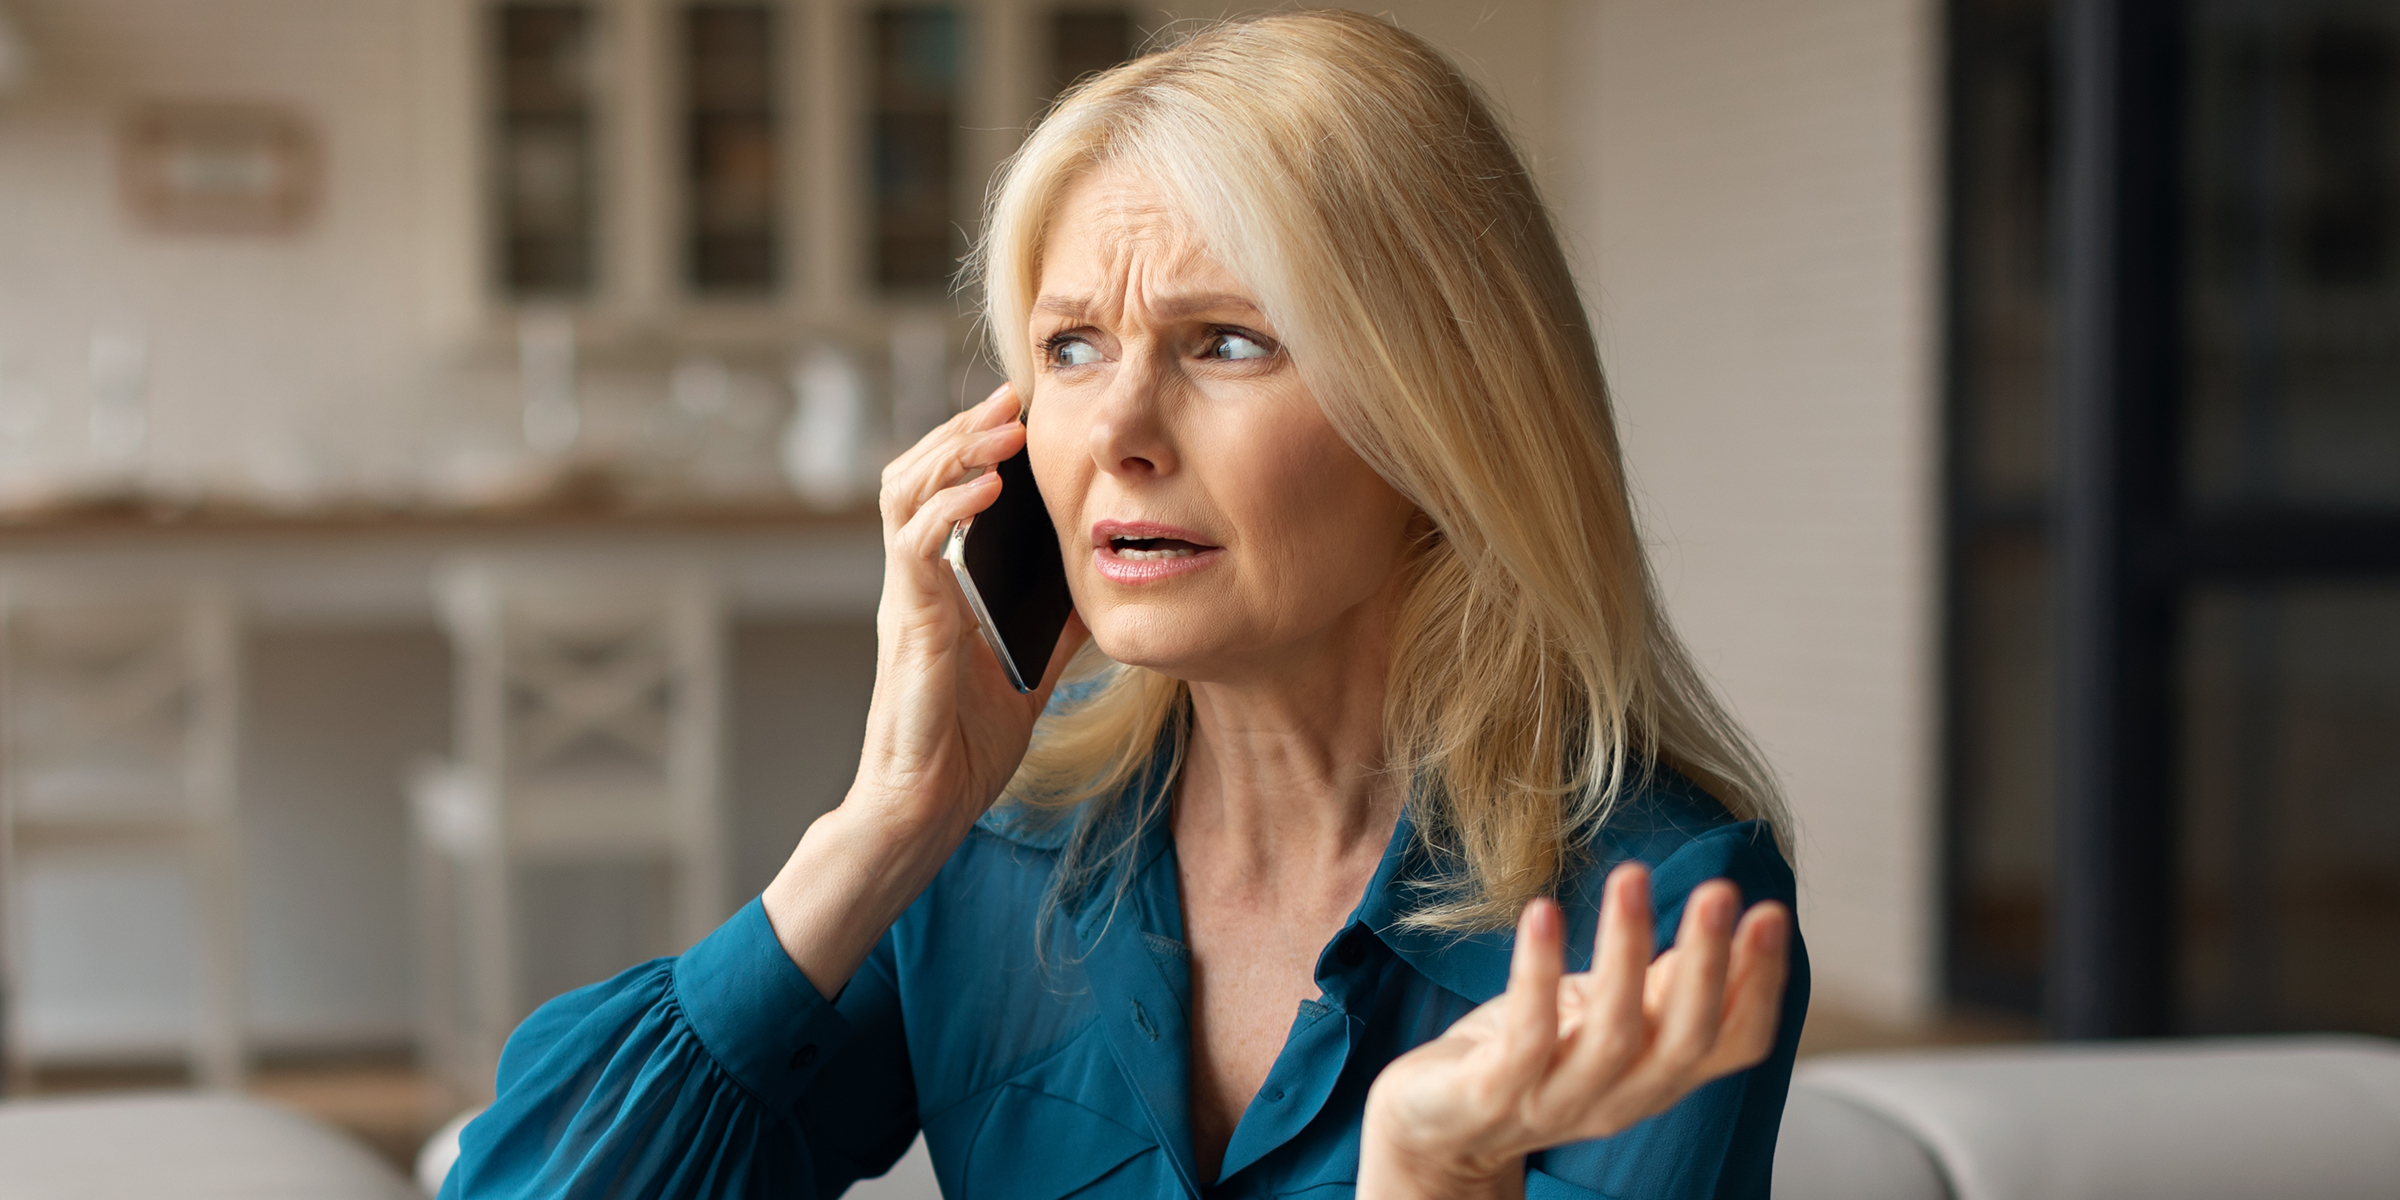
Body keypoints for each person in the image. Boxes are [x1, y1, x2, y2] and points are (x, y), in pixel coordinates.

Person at [444, 11, 1806, 1200]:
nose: (1120, 434)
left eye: (1228, 342)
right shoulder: (984, 858)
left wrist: (1430, 1174)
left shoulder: (1664, 914)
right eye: (1071, 348)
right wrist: (880, 826)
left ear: (1444, 415)